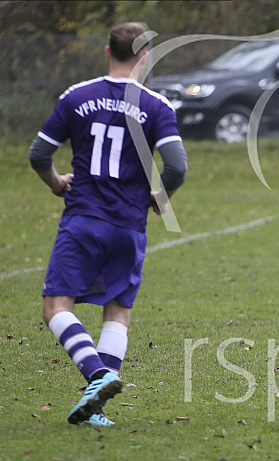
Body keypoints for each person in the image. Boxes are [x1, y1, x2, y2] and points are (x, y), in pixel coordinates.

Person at [28, 22, 187, 426]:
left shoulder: (77, 96)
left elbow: (39, 153)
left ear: (106, 52)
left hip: (83, 217)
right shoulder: (156, 105)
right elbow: (178, 166)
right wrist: (158, 198)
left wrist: (54, 183)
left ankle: (97, 375)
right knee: (118, 311)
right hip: (130, 225)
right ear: (145, 55)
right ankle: (96, 407)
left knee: (55, 307)